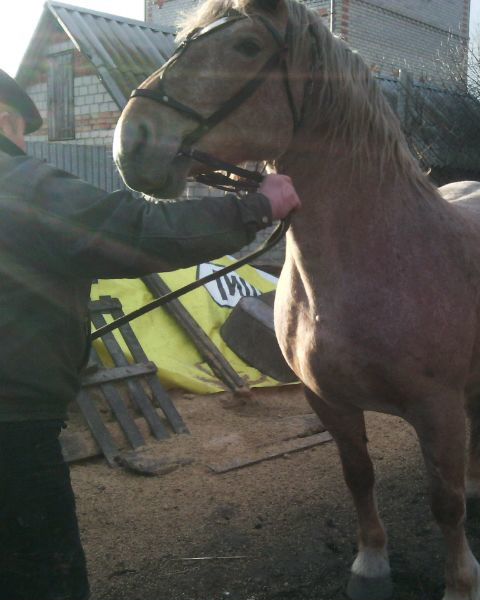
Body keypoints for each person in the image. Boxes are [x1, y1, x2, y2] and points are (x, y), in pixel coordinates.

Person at [0, 69, 300, 600]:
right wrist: (258, 206)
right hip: (12, 432)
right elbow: (133, 229)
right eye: (21, 134)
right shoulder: (14, 182)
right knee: (43, 577)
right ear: (5, 118)